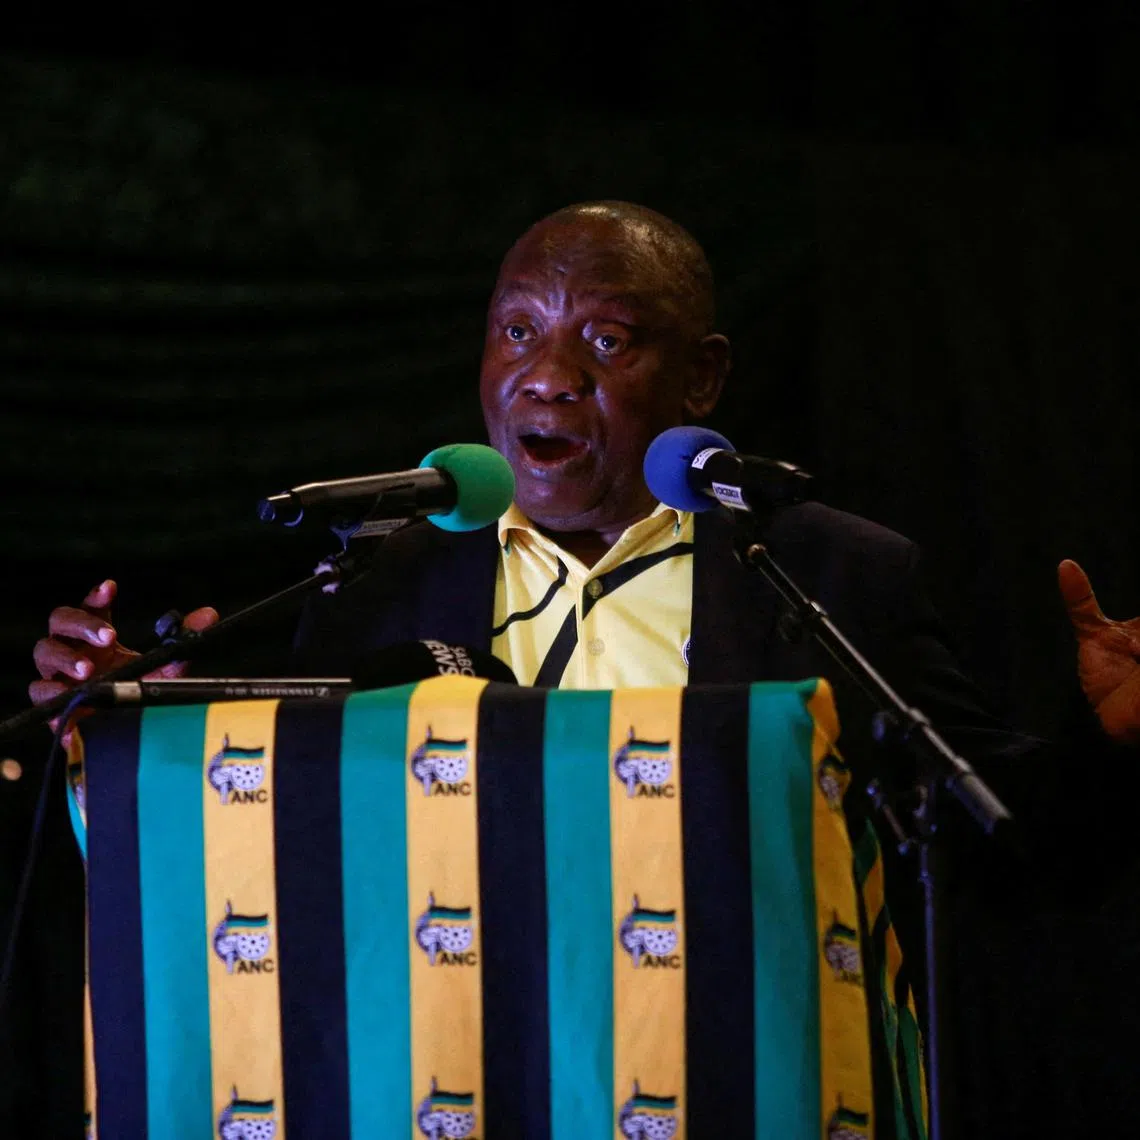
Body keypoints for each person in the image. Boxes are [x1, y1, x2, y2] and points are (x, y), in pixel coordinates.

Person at [27, 201, 1140, 1135]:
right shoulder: (381, 583)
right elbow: (309, 844)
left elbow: (1003, 847)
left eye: (606, 342)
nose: (546, 378)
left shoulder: (823, 573)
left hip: (739, 1090)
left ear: (700, 378)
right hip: (457, 1088)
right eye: (516, 332)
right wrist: (152, 718)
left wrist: (1117, 741)